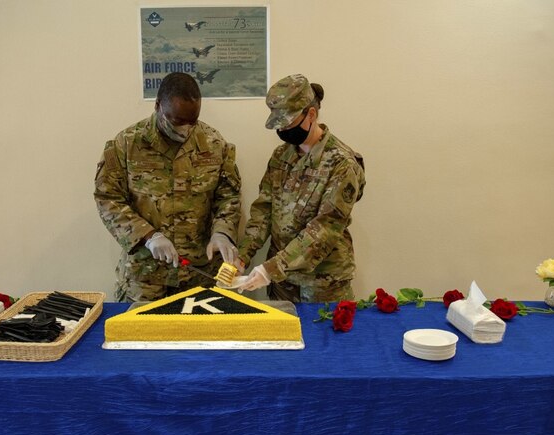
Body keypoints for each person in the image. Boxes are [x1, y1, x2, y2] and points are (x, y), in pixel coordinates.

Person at [94, 72, 241, 302]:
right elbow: (108, 199)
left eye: (192, 122)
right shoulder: (126, 145)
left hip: (198, 274)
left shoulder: (213, 144)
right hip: (145, 278)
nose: (185, 130)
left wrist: (222, 232)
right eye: (177, 122)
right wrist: (149, 236)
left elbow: (228, 196)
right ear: (157, 106)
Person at [237, 74, 365, 302]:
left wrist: (270, 269)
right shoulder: (281, 156)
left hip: (322, 285)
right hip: (282, 284)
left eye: (288, 123)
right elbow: (264, 211)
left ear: (311, 115)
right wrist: (242, 256)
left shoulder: (341, 163)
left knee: (324, 338)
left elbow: (324, 230)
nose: (284, 131)